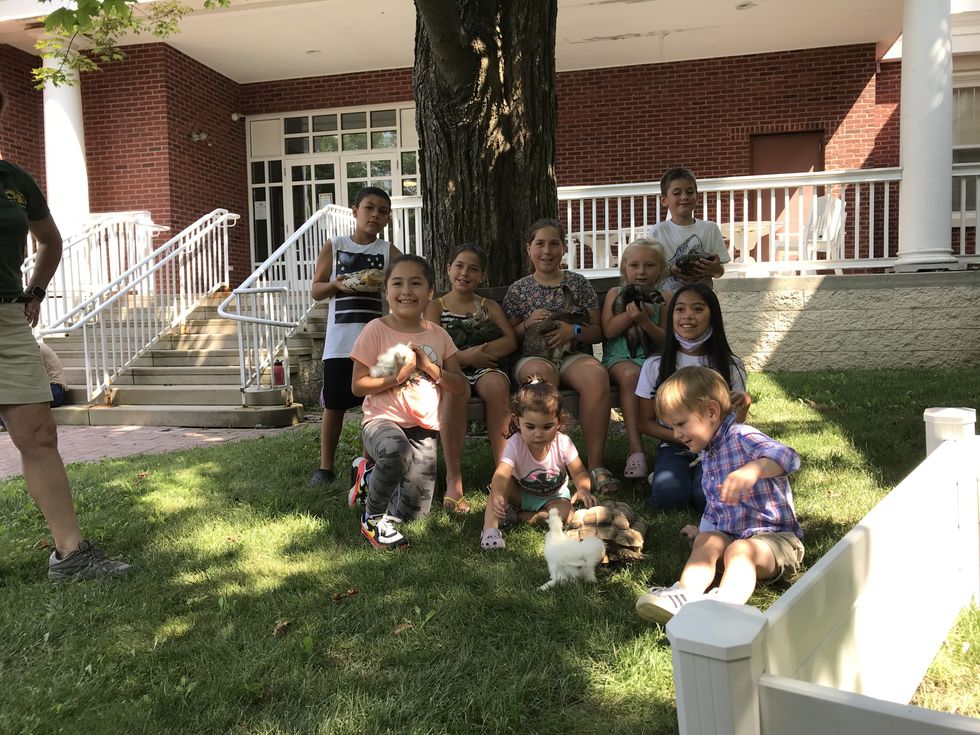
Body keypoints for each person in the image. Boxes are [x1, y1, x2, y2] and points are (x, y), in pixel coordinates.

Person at [0, 87, 129, 581]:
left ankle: (71, 554)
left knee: (38, 433)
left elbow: (49, 240)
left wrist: (35, 291)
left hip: (8, 320)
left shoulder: (13, 180)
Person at [635, 366, 804, 623]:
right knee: (707, 542)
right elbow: (716, 507)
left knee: (740, 551)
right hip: (733, 539)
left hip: (777, 541)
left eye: (680, 424)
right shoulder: (710, 454)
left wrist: (753, 470)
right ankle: (683, 594)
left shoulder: (741, 436)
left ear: (712, 412)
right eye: (672, 426)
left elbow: (788, 456)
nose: (676, 434)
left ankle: (724, 607)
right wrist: (703, 532)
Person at [348, 254, 466, 550]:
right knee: (395, 451)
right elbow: (358, 385)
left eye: (416, 283)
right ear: (386, 291)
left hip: (423, 427)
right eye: (397, 283)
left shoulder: (439, 335)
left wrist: (429, 367)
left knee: (412, 517)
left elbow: (460, 386)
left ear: (430, 292)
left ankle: (368, 476)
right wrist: (397, 378)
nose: (406, 291)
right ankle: (372, 518)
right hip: (381, 421)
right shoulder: (376, 329)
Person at [502, 218, 619, 495]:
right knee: (539, 381)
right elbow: (508, 338)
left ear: (564, 248)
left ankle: (596, 466)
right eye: (539, 244)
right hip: (533, 355)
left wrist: (572, 330)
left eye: (554, 243)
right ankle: (539, 467)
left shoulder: (578, 284)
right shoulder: (519, 290)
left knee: (596, 377)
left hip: (572, 354)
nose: (547, 251)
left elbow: (597, 331)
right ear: (529, 248)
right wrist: (527, 323)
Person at [308, 186, 400, 487]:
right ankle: (325, 467)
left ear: (387, 218)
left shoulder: (388, 252)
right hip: (341, 340)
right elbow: (316, 291)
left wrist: (388, 287)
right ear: (355, 211)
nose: (375, 215)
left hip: (376, 340)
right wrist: (336, 284)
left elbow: (401, 288)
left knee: (374, 404)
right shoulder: (335, 245)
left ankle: (366, 465)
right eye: (369, 208)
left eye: (382, 211)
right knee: (334, 403)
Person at [636, 283, 751, 511]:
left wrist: (744, 406)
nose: (687, 316)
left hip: (717, 447)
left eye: (698, 309)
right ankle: (665, 476)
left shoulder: (731, 365)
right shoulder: (655, 365)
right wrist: (684, 437)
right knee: (669, 497)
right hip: (673, 445)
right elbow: (645, 422)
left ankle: (693, 478)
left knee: (704, 497)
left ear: (712, 316)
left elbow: (736, 423)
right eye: (680, 309)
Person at [423, 243, 517, 512]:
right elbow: (433, 346)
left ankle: (502, 474)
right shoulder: (435, 307)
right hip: (451, 370)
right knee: (456, 390)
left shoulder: (488, 306)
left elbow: (509, 340)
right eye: (459, 266)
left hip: (485, 368)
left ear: (482, 275)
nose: (465, 273)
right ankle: (454, 478)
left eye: (473, 269)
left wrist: (481, 353)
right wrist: (465, 357)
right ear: (448, 268)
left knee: (498, 385)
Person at [480, 377, 595, 550]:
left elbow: (578, 472)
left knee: (566, 514)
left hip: (555, 497)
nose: (538, 434)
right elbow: (502, 472)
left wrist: (583, 488)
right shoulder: (515, 443)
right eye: (530, 427)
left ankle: (519, 517)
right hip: (522, 494)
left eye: (547, 426)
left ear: (559, 422)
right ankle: (490, 530)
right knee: (501, 487)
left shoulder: (563, 443)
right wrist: (497, 493)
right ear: (517, 421)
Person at [600, 238, 671, 482]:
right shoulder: (614, 293)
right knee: (632, 376)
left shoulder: (666, 297)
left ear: (660, 270)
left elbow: (665, 341)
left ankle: (671, 447)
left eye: (649, 265)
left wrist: (645, 322)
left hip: (655, 358)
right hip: (621, 359)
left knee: (677, 377)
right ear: (624, 269)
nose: (641, 271)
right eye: (634, 265)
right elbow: (608, 331)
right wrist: (633, 317)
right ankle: (636, 450)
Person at [647, 167, 730, 292]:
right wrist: (671, 270)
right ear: (664, 200)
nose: (684, 197)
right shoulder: (658, 231)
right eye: (676, 193)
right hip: (670, 301)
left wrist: (714, 269)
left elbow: (719, 272)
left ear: (697, 196)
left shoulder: (710, 228)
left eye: (690, 192)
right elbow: (651, 269)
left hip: (702, 299)